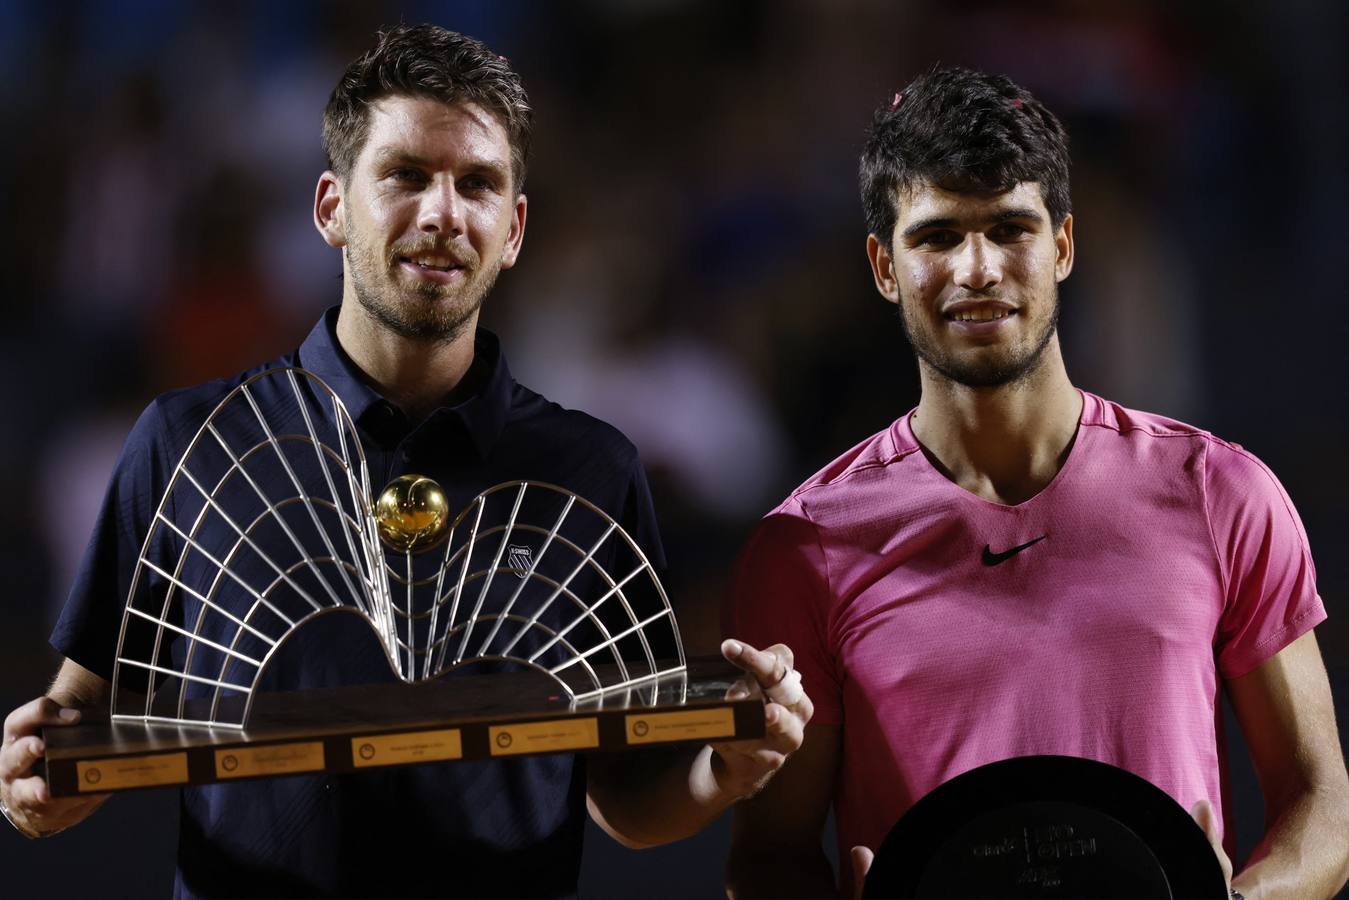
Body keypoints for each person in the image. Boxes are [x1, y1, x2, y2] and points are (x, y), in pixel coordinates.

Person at [0, 24, 811, 898]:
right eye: (405, 175)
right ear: (330, 207)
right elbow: (79, 720)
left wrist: (727, 768)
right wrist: (36, 780)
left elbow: (623, 801)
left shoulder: (592, 469)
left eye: (477, 184)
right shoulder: (184, 443)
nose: (441, 213)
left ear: (514, 229)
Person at [724, 67, 1349, 900]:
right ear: (883, 266)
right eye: (937, 236)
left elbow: (1322, 804)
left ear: (1060, 245)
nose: (977, 268)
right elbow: (771, 854)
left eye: (1009, 229)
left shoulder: (1219, 492)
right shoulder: (804, 548)